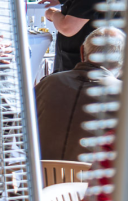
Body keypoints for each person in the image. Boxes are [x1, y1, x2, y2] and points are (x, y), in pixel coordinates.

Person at [36, 27, 124, 160]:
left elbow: (19, 134)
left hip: (41, 177)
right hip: (89, 179)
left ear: (82, 52)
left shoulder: (47, 83)